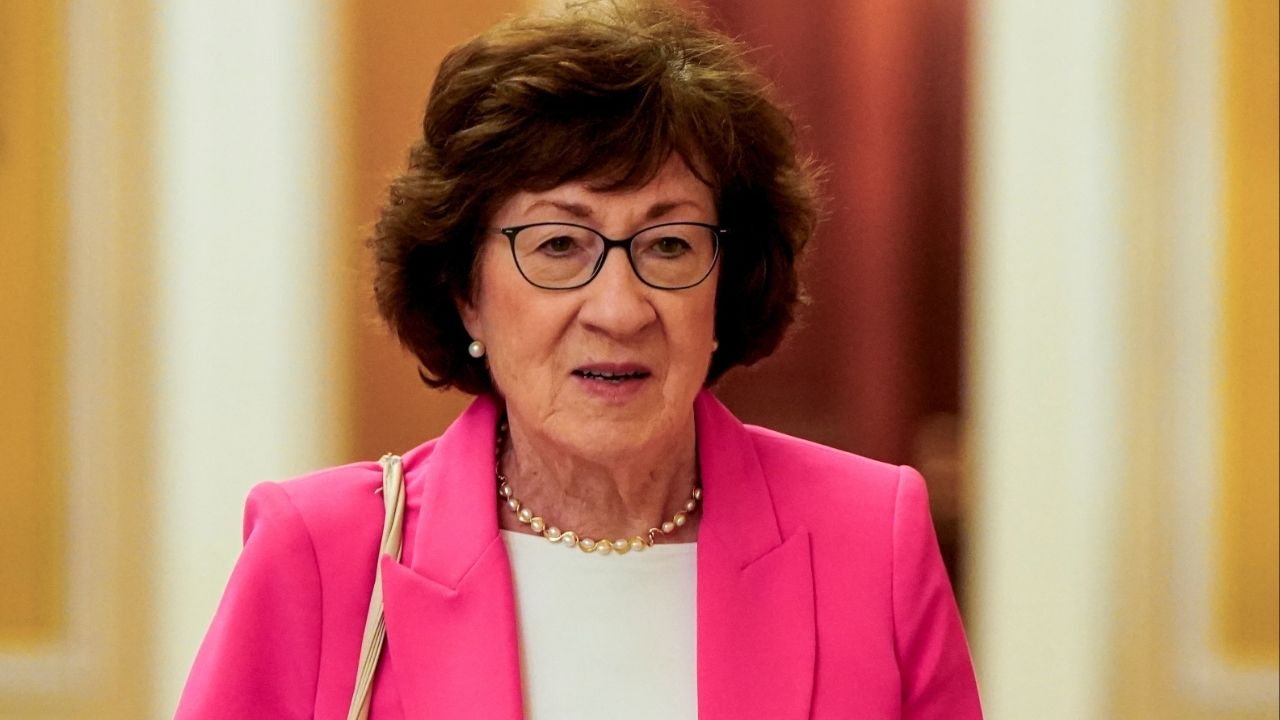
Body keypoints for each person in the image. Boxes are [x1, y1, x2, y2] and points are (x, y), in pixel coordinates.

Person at [177, 1, 982, 718]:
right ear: (465, 290)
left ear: (726, 286)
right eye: (560, 244)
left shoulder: (870, 537)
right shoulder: (322, 552)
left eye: (669, 245)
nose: (620, 308)